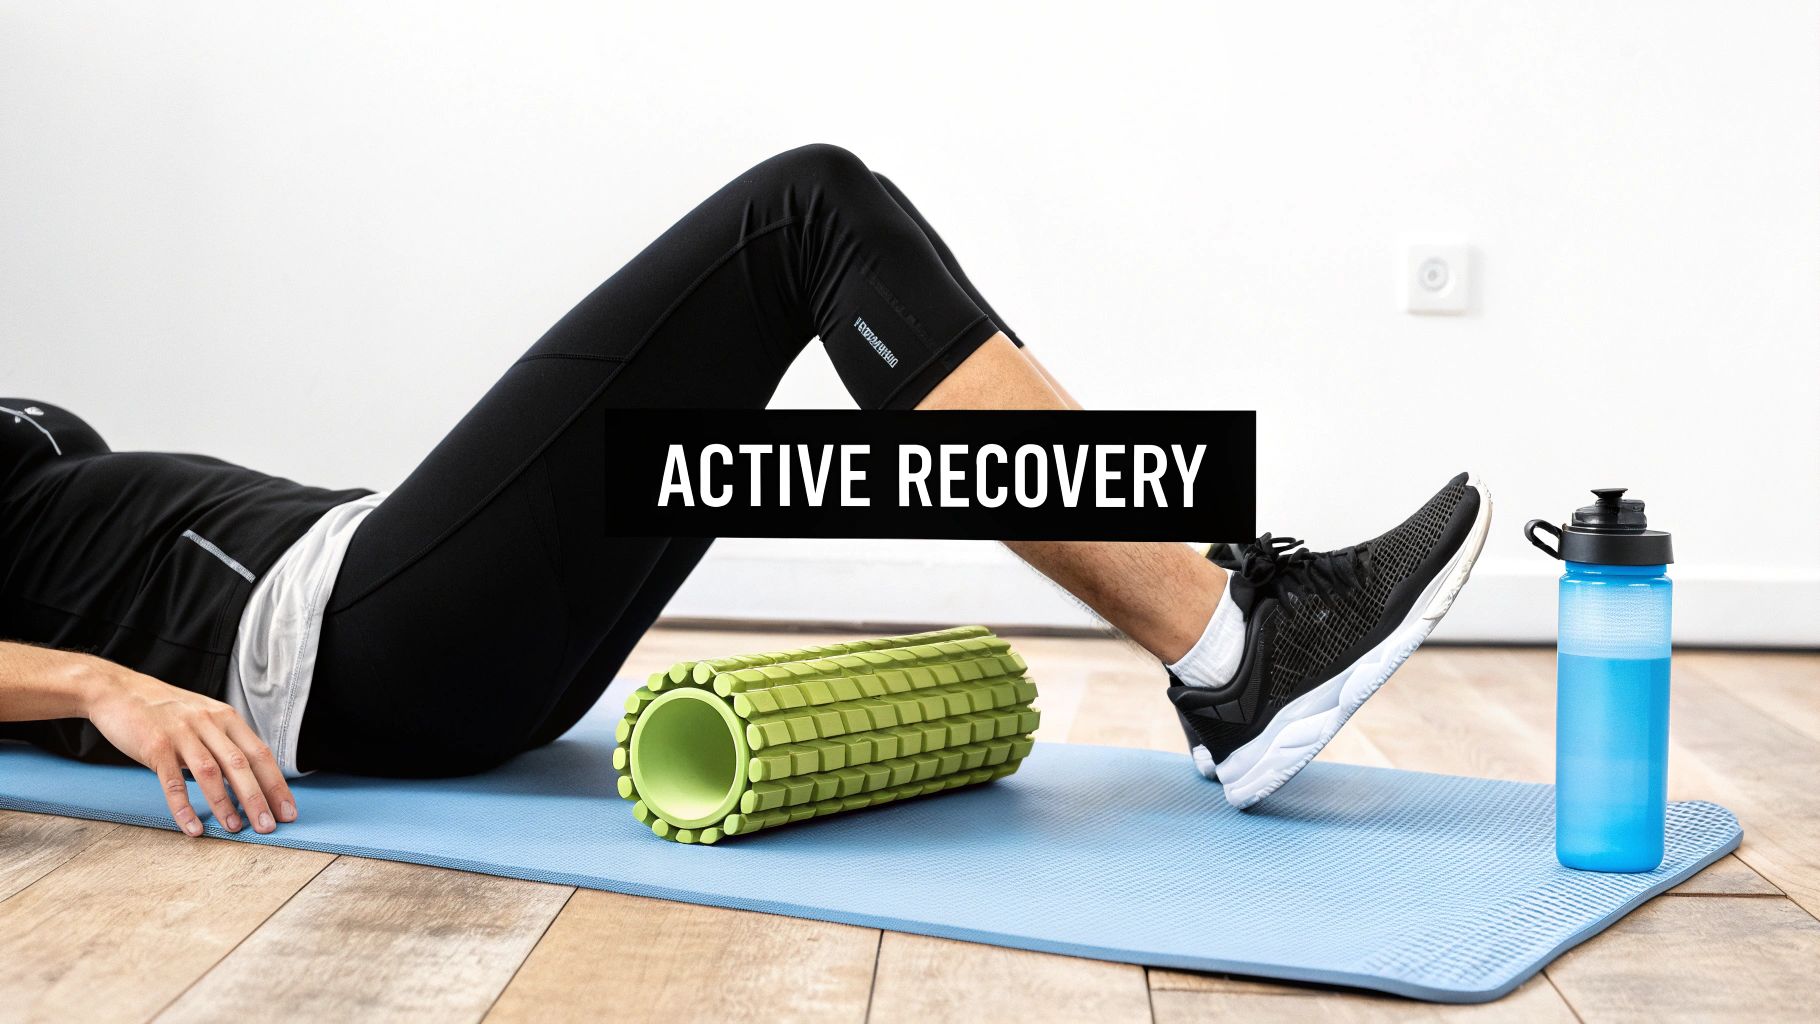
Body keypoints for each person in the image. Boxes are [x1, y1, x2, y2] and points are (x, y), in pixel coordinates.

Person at [0, 145, 1491, 839]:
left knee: (743, 413)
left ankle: (1222, 615)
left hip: (387, 621)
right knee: (804, 214)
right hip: (335, 647)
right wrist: (99, 687)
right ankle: (1234, 648)